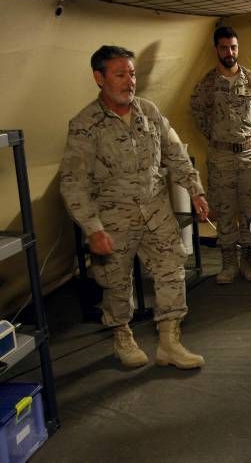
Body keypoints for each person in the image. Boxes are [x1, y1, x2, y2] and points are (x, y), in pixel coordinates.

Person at [60, 45, 208, 369]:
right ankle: (122, 335)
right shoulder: (85, 125)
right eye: (120, 74)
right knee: (116, 281)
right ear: (99, 78)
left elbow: (175, 154)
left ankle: (170, 340)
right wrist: (93, 228)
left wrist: (195, 190)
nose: (129, 81)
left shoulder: (149, 111)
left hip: (156, 210)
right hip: (113, 219)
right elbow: (73, 183)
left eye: (132, 73)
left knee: (172, 267)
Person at [191, 26, 251, 284]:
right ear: (217, 49)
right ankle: (228, 264)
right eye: (224, 48)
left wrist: (247, 140)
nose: (230, 52)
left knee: (250, 209)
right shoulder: (208, 85)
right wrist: (219, 140)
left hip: (248, 156)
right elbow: (199, 115)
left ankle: (249, 261)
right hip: (221, 157)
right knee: (224, 210)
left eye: (233, 47)